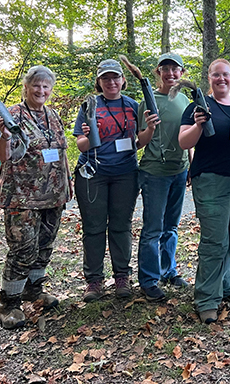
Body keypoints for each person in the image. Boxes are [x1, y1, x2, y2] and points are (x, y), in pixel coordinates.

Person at [0, 65, 71, 329]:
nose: (41, 90)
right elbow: (0, 154)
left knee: (44, 247)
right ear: (26, 87)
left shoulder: (54, 115)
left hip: (54, 195)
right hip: (22, 197)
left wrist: (67, 188)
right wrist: (4, 137)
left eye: (46, 86)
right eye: (36, 85)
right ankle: (9, 304)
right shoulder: (11, 115)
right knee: (23, 250)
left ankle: (33, 291)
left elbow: (61, 153)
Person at [178, 58, 230, 324]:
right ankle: (207, 299)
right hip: (211, 181)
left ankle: (229, 285)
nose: (221, 79)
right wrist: (199, 125)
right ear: (208, 78)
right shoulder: (198, 107)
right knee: (215, 241)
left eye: (225, 75)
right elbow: (183, 141)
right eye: (215, 75)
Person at [73, 59, 148, 302]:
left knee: (121, 225)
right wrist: (88, 136)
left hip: (125, 172)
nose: (111, 82)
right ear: (99, 82)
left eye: (115, 77)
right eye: (106, 78)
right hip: (93, 172)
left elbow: (138, 142)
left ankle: (122, 277)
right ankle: (94, 281)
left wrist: (152, 130)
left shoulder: (133, 106)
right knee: (93, 227)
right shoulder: (89, 105)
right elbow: (81, 145)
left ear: (123, 80)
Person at [137, 53, 193, 302]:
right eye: (165, 69)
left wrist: (191, 165)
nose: (171, 74)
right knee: (153, 228)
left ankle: (168, 271)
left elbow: (188, 136)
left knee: (171, 226)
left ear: (182, 73)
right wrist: (149, 127)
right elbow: (139, 142)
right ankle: (149, 279)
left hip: (179, 171)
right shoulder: (148, 101)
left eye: (175, 69)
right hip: (154, 173)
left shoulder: (184, 100)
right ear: (158, 72)